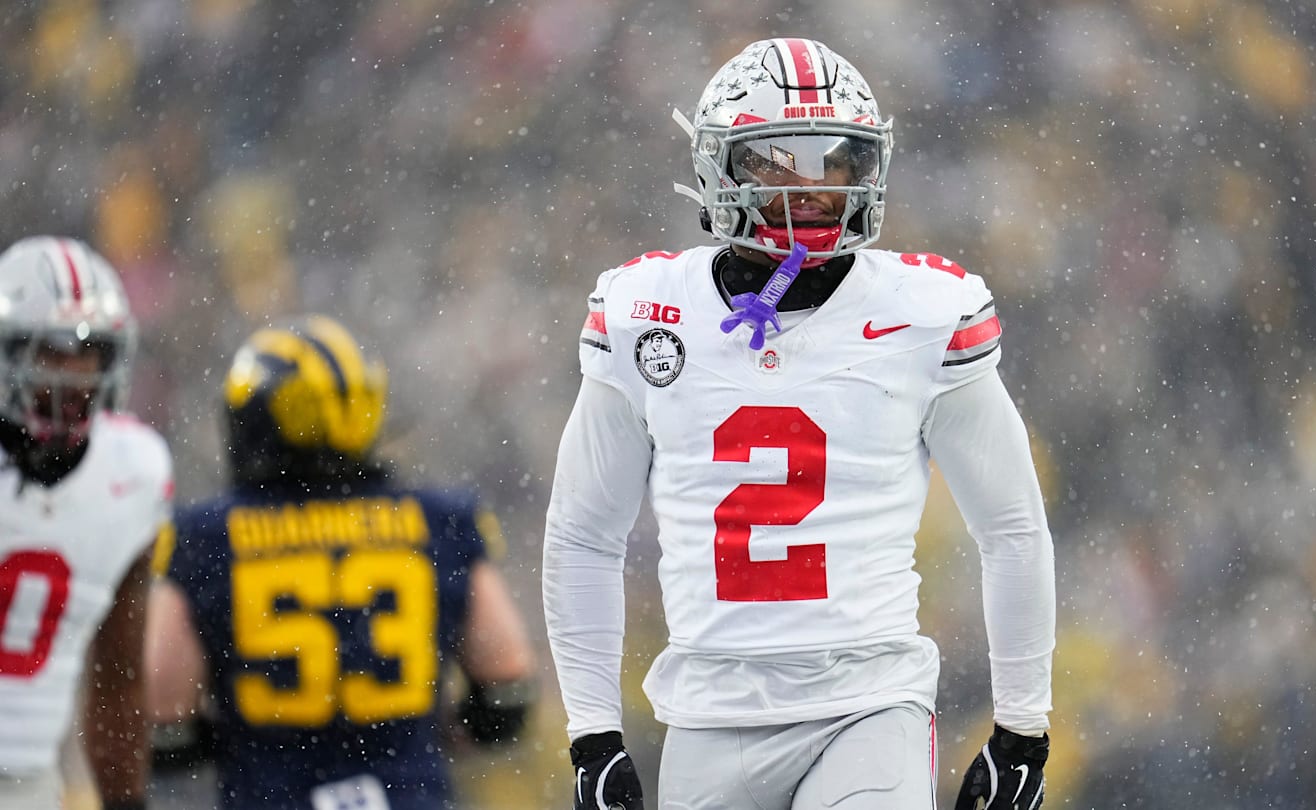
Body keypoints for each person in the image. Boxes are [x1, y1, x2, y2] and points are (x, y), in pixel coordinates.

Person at [543, 37, 1056, 810]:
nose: (813, 188)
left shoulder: (923, 312)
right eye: (779, 161)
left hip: (868, 701)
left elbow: (1012, 525)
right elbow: (583, 532)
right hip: (709, 710)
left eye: (835, 160)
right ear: (720, 167)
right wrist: (593, 734)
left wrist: (1023, 726)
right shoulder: (645, 312)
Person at [144, 314, 535, 810]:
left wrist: (240, 744)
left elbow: (165, 717)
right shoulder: (442, 520)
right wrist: (421, 740)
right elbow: (506, 690)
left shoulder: (204, 537)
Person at [0, 235, 172, 810]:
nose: (75, 375)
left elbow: (118, 681)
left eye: (91, 353)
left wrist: (127, 803)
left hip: (29, 784)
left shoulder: (131, 475)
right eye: (52, 353)